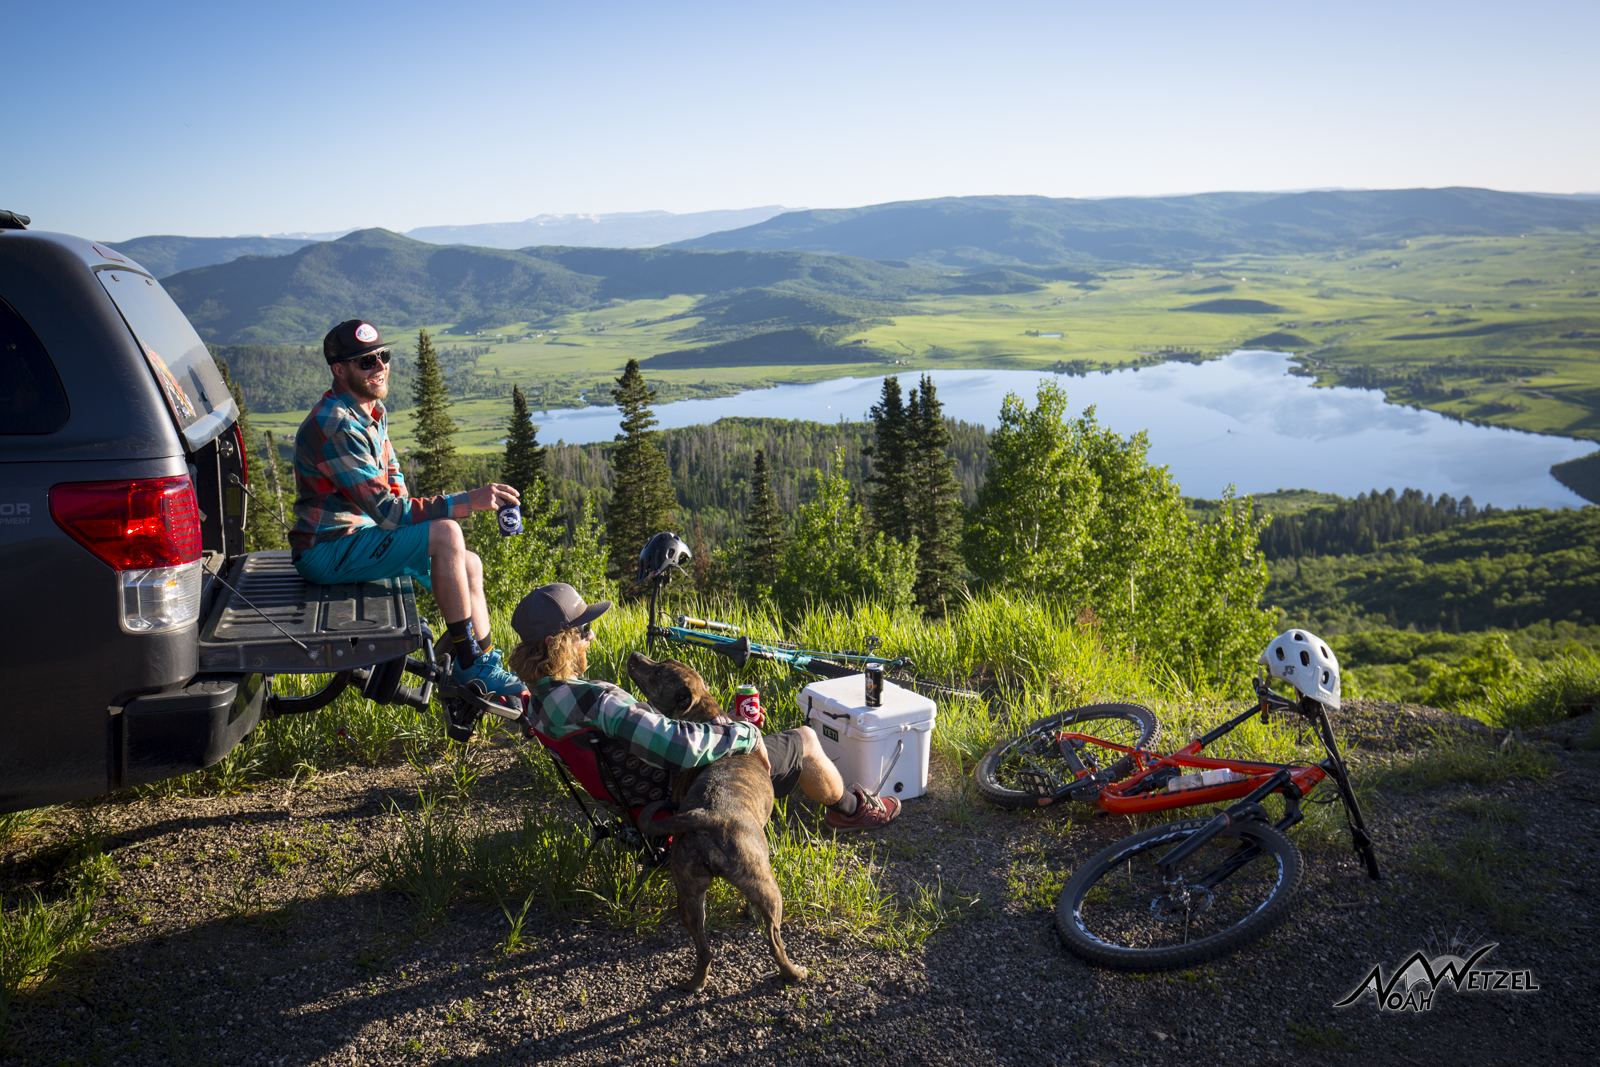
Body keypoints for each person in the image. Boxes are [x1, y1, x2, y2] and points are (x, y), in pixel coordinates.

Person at [508, 582, 901, 831]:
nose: (591, 637)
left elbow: (650, 734)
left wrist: (718, 726)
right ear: (554, 644)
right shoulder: (597, 699)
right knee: (806, 740)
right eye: (583, 630)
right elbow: (676, 747)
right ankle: (850, 808)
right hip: (683, 790)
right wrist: (742, 733)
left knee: (748, 733)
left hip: (631, 797)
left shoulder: (539, 701)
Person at [289, 319, 527, 703]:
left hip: (361, 539)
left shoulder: (370, 411)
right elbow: (387, 512)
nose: (379, 366)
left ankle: (481, 665)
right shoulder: (335, 427)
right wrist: (468, 501)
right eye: (366, 362)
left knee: (470, 563)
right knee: (447, 532)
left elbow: (394, 480)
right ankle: (468, 662)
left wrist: (421, 523)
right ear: (340, 370)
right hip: (327, 550)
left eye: (383, 356)